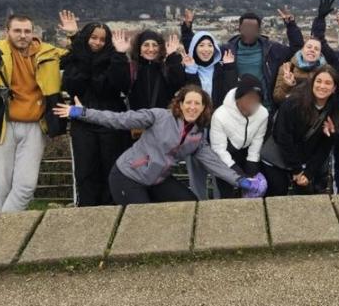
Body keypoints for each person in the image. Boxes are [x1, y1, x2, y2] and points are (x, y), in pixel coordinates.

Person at [53, 85, 265, 205]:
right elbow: (119, 119)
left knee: (189, 204)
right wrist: (83, 113)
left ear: (204, 108)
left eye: (197, 104)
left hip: (157, 178)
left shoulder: (197, 135)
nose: (192, 107)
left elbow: (213, 163)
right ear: (180, 104)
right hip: (129, 176)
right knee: (146, 219)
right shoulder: (158, 117)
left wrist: (240, 180)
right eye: (188, 102)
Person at [0, 11, 74, 212]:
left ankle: (4, 229)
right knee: (2, 187)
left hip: (35, 125)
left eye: (27, 31)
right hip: (2, 125)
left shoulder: (48, 52)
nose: (23, 35)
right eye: (17, 30)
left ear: (33, 32)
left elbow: (77, 57)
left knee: (26, 186)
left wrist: (73, 35)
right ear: (6, 31)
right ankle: (9, 236)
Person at [61, 21, 132, 206]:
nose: (98, 43)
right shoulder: (73, 59)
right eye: (93, 38)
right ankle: (88, 212)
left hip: (111, 120)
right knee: (85, 171)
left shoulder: (114, 59)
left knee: (112, 168)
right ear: (86, 38)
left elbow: (121, 85)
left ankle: (112, 210)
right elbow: (72, 86)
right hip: (82, 121)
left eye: (102, 39)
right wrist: (81, 53)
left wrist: (119, 55)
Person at [180, 10, 237, 199]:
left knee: (219, 168)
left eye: (209, 45)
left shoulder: (221, 68)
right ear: (194, 48)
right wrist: (189, 71)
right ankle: (199, 203)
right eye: (201, 45)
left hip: (218, 127)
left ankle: (220, 205)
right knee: (195, 170)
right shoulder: (190, 68)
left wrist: (229, 68)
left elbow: (231, 94)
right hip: (196, 127)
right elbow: (190, 97)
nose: (206, 49)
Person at [262, 65, 339, 196]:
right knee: (278, 195)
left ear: (334, 89)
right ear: (312, 83)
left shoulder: (333, 109)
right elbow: (282, 136)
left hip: (303, 162)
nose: (322, 86)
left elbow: (324, 148)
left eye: (328, 83)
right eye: (319, 81)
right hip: (277, 159)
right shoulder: (294, 103)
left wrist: (308, 173)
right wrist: (296, 170)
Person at [222, 9, 304, 110]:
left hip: (265, 107)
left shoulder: (273, 50)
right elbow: (202, 56)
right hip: (237, 107)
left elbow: (296, 49)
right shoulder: (226, 51)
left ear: (259, 30)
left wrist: (291, 25)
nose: (249, 31)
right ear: (239, 29)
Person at [209, 75, 269, 198]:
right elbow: (218, 149)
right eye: (248, 99)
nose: (251, 104)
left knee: (256, 185)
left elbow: (258, 139)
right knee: (226, 190)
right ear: (238, 98)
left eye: (256, 100)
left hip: (246, 152)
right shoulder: (220, 115)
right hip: (225, 153)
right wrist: (238, 172)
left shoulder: (263, 113)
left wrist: (252, 165)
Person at [127, 29, 187, 112]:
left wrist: (173, 56)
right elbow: (119, 84)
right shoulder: (132, 69)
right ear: (139, 48)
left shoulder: (165, 68)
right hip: (137, 121)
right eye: (146, 45)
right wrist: (119, 55)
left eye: (154, 45)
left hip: (161, 121)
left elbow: (178, 83)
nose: (151, 49)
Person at [273, 37, 327, 104]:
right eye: (309, 47)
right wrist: (287, 84)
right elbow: (277, 98)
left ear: (320, 54)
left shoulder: (326, 71)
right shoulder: (288, 68)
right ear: (302, 50)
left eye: (316, 49)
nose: (312, 50)